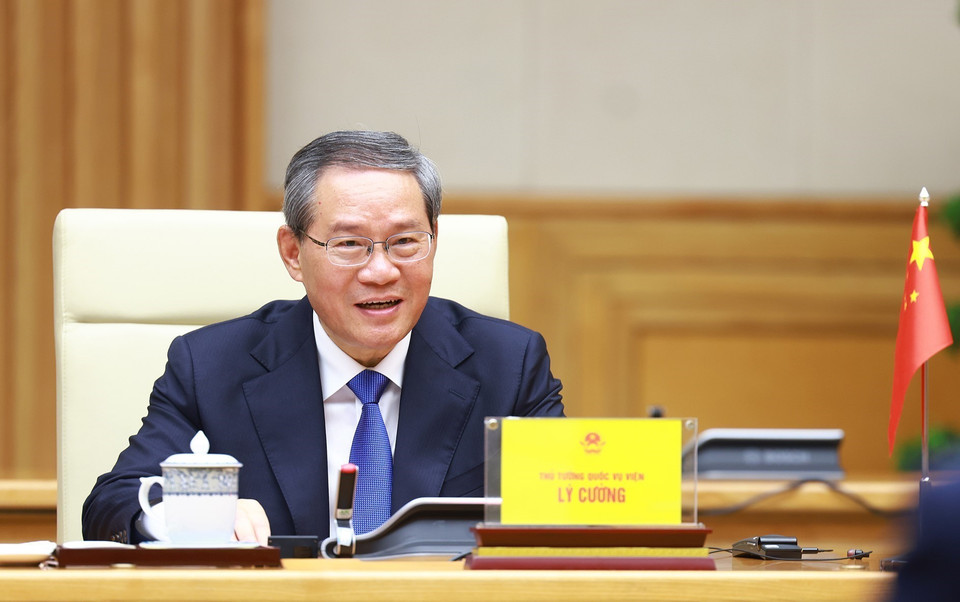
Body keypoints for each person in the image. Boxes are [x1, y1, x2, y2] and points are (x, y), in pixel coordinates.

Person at [81, 130, 565, 545]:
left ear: (433, 240)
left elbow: (561, 514)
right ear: (293, 253)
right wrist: (188, 516)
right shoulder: (211, 366)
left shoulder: (509, 365)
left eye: (405, 241)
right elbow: (112, 503)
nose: (380, 271)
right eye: (349, 244)